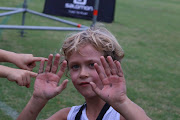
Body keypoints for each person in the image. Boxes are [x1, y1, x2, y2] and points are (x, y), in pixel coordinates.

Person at [17, 27, 151, 120]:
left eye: (92, 65)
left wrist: (121, 101)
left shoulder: (123, 115)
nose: (83, 73)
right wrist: (38, 99)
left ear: (112, 66)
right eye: (75, 66)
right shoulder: (68, 116)